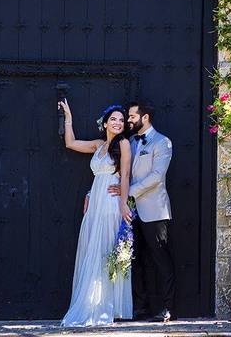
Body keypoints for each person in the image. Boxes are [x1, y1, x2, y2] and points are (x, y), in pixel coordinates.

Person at [59, 100, 133, 326]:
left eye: (121, 120)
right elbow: (70, 143)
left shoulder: (124, 145)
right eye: (114, 119)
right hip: (95, 202)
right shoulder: (99, 145)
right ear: (106, 123)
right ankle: (91, 303)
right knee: (94, 248)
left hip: (111, 203)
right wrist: (69, 116)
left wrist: (123, 202)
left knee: (106, 249)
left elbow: (126, 176)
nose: (118, 123)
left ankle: (106, 305)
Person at [107, 99, 175, 322]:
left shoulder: (162, 142)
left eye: (132, 117)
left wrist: (128, 192)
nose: (128, 120)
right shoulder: (129, 142)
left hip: (154, 210)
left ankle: (167, 308)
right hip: (130, 211)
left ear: (145, 118)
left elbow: (157, 176)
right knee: (134, 259)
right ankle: (140, 307)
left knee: (160, 259)